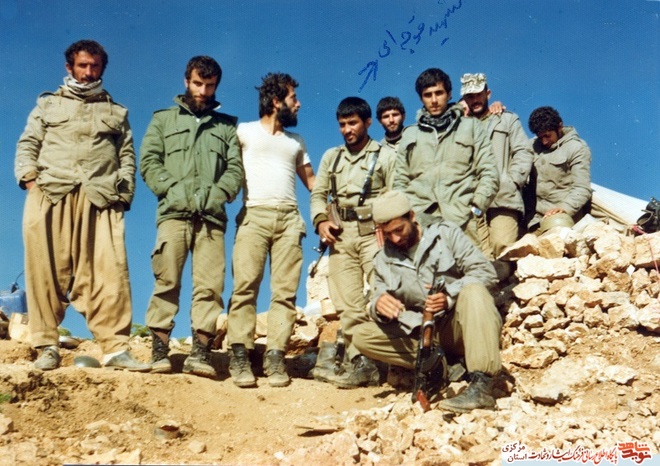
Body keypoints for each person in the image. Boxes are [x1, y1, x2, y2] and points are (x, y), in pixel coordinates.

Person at [14, 40, 150, 372]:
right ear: (70, 67)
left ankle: (116, 350)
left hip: (100, 198)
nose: (88, 72)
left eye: (94, 66)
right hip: (51, 193)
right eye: (82, 65)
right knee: (45, 271)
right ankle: (47, 345)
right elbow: (28, 143)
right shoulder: (48, 104)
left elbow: (127, 158)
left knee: (109, 273)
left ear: (102, 68)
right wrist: (30, 181)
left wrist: (123, 196)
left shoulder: (116, 112)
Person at [140, 56, 243, 378]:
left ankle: (200, 353)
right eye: (198, 84)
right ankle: (160, 351)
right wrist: (172, 190)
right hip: (173, 213)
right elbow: (149, 161)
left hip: (211, 218)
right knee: (166, 280)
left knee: (210, 286)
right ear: (187, 81)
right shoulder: (163, 120)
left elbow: (235, 169)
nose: (202, 91)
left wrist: (219, 193)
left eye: (209, 86)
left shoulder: (226, 126)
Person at [352, 191, 502, 412]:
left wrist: (449, 296)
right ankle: (442, 367)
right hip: (423, 333)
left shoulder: (446, 234)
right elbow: (377, 296)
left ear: (412, 216)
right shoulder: (383, 259)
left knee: (474, 291)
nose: (395, 239)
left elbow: (486, 272)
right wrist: (379, 306)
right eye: (387, 233)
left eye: (399, 230)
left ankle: (482, 384)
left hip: (460, 325)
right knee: (362, 335)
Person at [226, 73, 315, 388]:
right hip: (254, 214)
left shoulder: (296, 142)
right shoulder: (244, 132)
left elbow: (313, 183)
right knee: (244, 286)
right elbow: (227, 168)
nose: (298, 104)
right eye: (293, 98)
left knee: (285, 292)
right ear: (276, 101)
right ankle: (240, 353)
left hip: (289, 218)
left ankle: (275, 356)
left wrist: (331, 211)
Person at [309, 97, 396, 388]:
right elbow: (318, 194)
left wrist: (389, 226)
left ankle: (393, 358)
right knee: (348, 303)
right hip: (341, 235)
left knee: (384, 291)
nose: (347, 130)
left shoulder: (385, 156)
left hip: (375, 233)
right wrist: (321, 221)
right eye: (342, 124)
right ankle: (362, 363)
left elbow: (397, 193)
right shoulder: (331, 157)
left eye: (353, 123)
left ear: (368, 122)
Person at [394, 68, 499, 258]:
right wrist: (408, 218)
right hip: (421, 224)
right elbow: (400, 181)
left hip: (463, 221)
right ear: (421, 98)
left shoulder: (470, 127)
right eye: (428, 95)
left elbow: (489, 171)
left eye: (439, 93)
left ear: (449, 94)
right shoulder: (410, 134)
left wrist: (476, 208)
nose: (434, 100)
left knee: (471, 274)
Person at [460, 73, 533, 260]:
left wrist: (512, 181)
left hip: (502, 198)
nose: (475, 100)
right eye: (469, 96)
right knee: (476, 255)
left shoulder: (506, 119)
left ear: (488, 94)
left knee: (503, 249)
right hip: (472, 202)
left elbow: (523, 151)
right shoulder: (459, 127)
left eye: (478, 94)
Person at [526, 106, 592, 230]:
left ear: (559, 127)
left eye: (547, 136)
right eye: (540, 137)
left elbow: (582, 188)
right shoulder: (532, 145)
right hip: (534, 220)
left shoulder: (576, 148)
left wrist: (564, 208)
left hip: (562, 219)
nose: (544, 142)